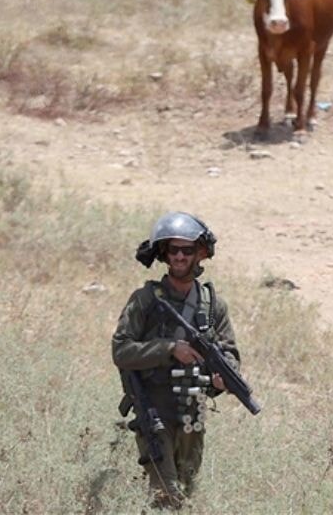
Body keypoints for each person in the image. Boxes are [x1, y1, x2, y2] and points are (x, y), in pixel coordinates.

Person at [112, 212, 240, 509]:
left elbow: (230, 355)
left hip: (193, 411)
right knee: (165, 494)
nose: (180, 256)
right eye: (173, 250)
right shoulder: (145, 299)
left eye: (187, 250)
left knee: (186, 492)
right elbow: (121, 351)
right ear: (164, 254)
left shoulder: (213, 306)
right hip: (154, 407)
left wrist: (223, 380)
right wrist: (169, 348)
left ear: (201, 253)